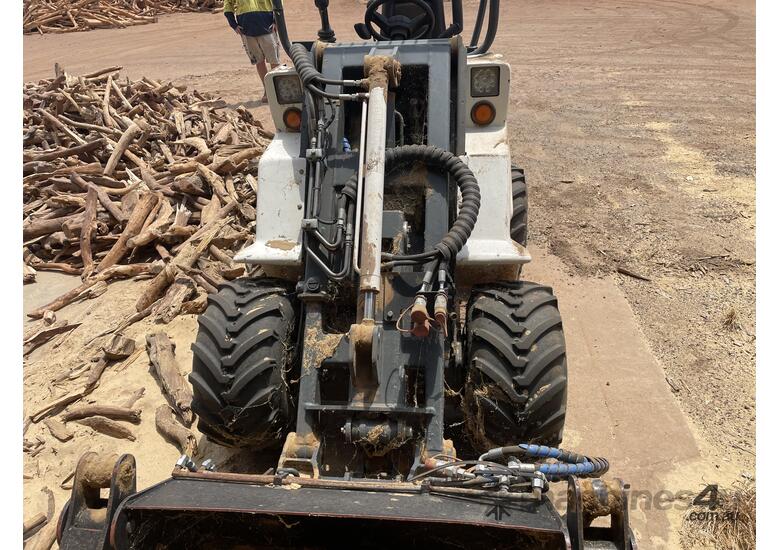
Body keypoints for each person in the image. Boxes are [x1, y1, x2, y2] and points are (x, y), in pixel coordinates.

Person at [223, 0, 281, 103]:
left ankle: (276, 91)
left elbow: (278, 3)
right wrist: (234, 25)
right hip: (247, 30)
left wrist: (276, 22)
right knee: (259, 62)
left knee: (274, 61)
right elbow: (228, 6)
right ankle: (268, 90)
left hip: (267, 28)